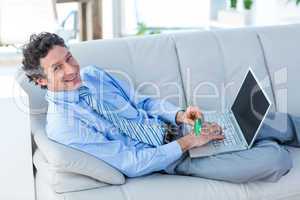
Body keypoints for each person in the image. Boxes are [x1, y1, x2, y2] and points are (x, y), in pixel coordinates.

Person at [22, 32, 295, 183]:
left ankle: (247, 137)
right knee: (275, 160)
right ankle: (251, 143)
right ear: (40, 80)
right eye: (58, 67)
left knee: (272, 120)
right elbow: (129, 162)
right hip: (174, 156)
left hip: (181, 128)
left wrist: (180, 115)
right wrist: (187, 143)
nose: (72, 69)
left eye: (70, 57)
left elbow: (143, 102)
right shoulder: (63, 125)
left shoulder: (93, 75)